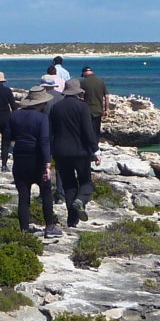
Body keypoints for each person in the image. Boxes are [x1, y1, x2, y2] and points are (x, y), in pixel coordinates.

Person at [48, 80, 101, 227]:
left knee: (69, 185)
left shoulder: (56, 107)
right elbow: (88, 131)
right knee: (86, 182)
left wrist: (49, 152)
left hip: (61, 152)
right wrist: (95, 150)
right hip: (80, 151)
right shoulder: (83, 107)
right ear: (78, 92)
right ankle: (81, 200)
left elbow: (51, 131)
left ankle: (72, 221)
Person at [7, 86, 59, 235]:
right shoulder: (42, 118)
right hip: (37, 160)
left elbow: (9, 137)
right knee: (46, 193)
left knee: (23, 197)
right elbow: (44, 141)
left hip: (20, 159)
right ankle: (49, 227)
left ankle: (24, 229)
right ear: (41, 103)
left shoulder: (14, 115)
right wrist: (47, 165)